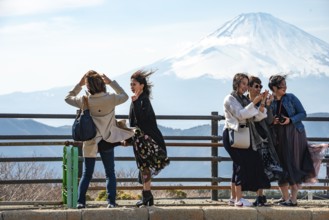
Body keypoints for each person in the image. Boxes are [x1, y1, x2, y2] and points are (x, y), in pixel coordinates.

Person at [65, 70, 134, 209]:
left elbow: (68, 98)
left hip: (91, 141)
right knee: (110, 173)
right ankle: (111, 202)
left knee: (87, 174)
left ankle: (81, 202)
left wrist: (79, 85)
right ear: (102, 84)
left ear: (88, 86)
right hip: (108, 139)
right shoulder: (111, 99)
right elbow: (125, 96)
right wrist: (111, 82)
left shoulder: (84, 101)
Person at [223, 73, 271, 207]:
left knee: (236, 166)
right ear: (236, 83)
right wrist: (254, 103)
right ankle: (239, 199)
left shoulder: (243, 100)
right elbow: (240, 115)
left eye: (246, 84)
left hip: (242, 136)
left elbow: (257, 117)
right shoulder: (230, 99)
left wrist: (261, 103)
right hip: (232, 135)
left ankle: (233, 198)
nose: (245, 87)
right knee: (240, 165)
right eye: (243, 83)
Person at [268, 74, 316, 206]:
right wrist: (274, 121)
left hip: (294, 134)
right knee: (280, 165)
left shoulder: (291, 97)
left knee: (294, 164)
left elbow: (302, 113)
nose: (285, 87)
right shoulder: (269, 101)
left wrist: (290, 119)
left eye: (285, 85)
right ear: (274, 87)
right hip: (278, 136)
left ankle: (293, 199)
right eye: (281, 85)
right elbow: (266, 119)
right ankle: (285, 197)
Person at [128, 69, 170, 207]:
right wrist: (129, 139)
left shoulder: (143, 100)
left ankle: (147, 196)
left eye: (134, 84)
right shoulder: (137, 100)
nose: (132, 86)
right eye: (131, 84)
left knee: (145, 168)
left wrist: (134, 103)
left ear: (142, 85)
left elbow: (142, 120)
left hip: (148, 141)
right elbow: (133, 124)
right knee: (143, 168)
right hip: (140, 141)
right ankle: (147, 197)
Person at [247, 76, 284, 206]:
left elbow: (268, 121)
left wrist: (267, 105)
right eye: (256, 86)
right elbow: (255, 118)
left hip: (263, 139)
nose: (259, 89)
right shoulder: (246, 102)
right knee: (254, 167)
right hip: (250, 138)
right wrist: (262, 103)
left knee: (262, 167)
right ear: (249, 87)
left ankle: (261, 195)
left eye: (260, 86)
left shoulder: (259, 102)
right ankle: (257, 195)